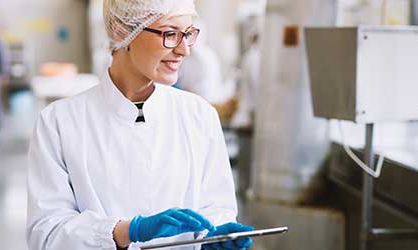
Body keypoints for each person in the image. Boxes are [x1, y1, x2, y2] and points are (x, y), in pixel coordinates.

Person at [27, 0, 254, 249]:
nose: (184, 50)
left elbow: (217, 209)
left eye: (188, 34)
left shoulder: (199, 116)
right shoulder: (59, 123)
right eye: (170, 34)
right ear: (122, 31)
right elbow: (46, 234)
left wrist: (216, 238)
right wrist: (127, 231)